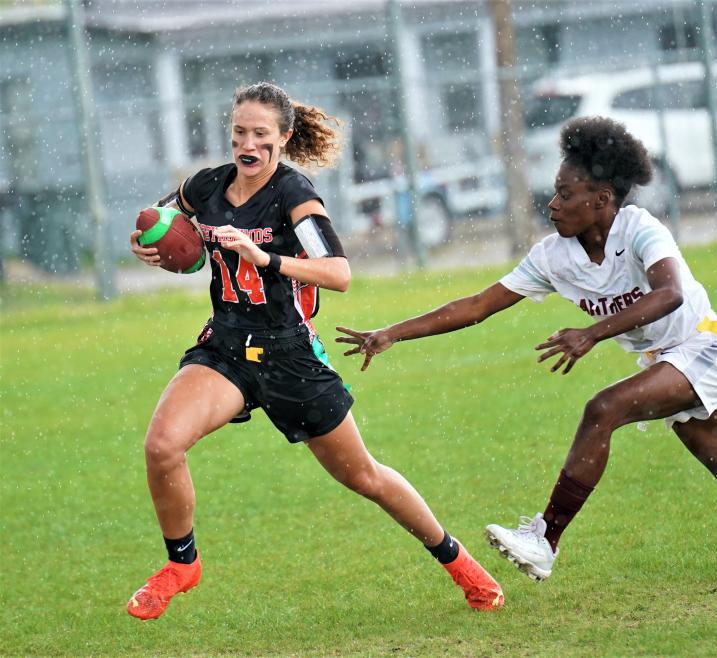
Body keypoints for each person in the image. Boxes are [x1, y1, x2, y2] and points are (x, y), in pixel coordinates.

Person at [336, 116, 717, 582]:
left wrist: (592, 332)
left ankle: (545, 539)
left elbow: (670, 293)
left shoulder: (640, 228)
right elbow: (477, 305)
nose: (553, 203)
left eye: (566, 194)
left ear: (602, 200)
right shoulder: (553, 256)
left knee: (603, 408)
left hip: (705, 343)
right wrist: (391, 333)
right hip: (666, 360)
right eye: (554, 191)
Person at [126, 82, 503, 620]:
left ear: (283, 136)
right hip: (228, 347)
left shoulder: (294, 195)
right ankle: (182, 565)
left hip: (291, 355)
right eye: (239, 132)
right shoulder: (205, 186)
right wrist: (149, 244)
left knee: (363, 477)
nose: (247, 143)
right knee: (162, 445)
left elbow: (339, 274)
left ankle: (460, 563)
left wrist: (268, 259)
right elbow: (164, 222)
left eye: (260, 133)